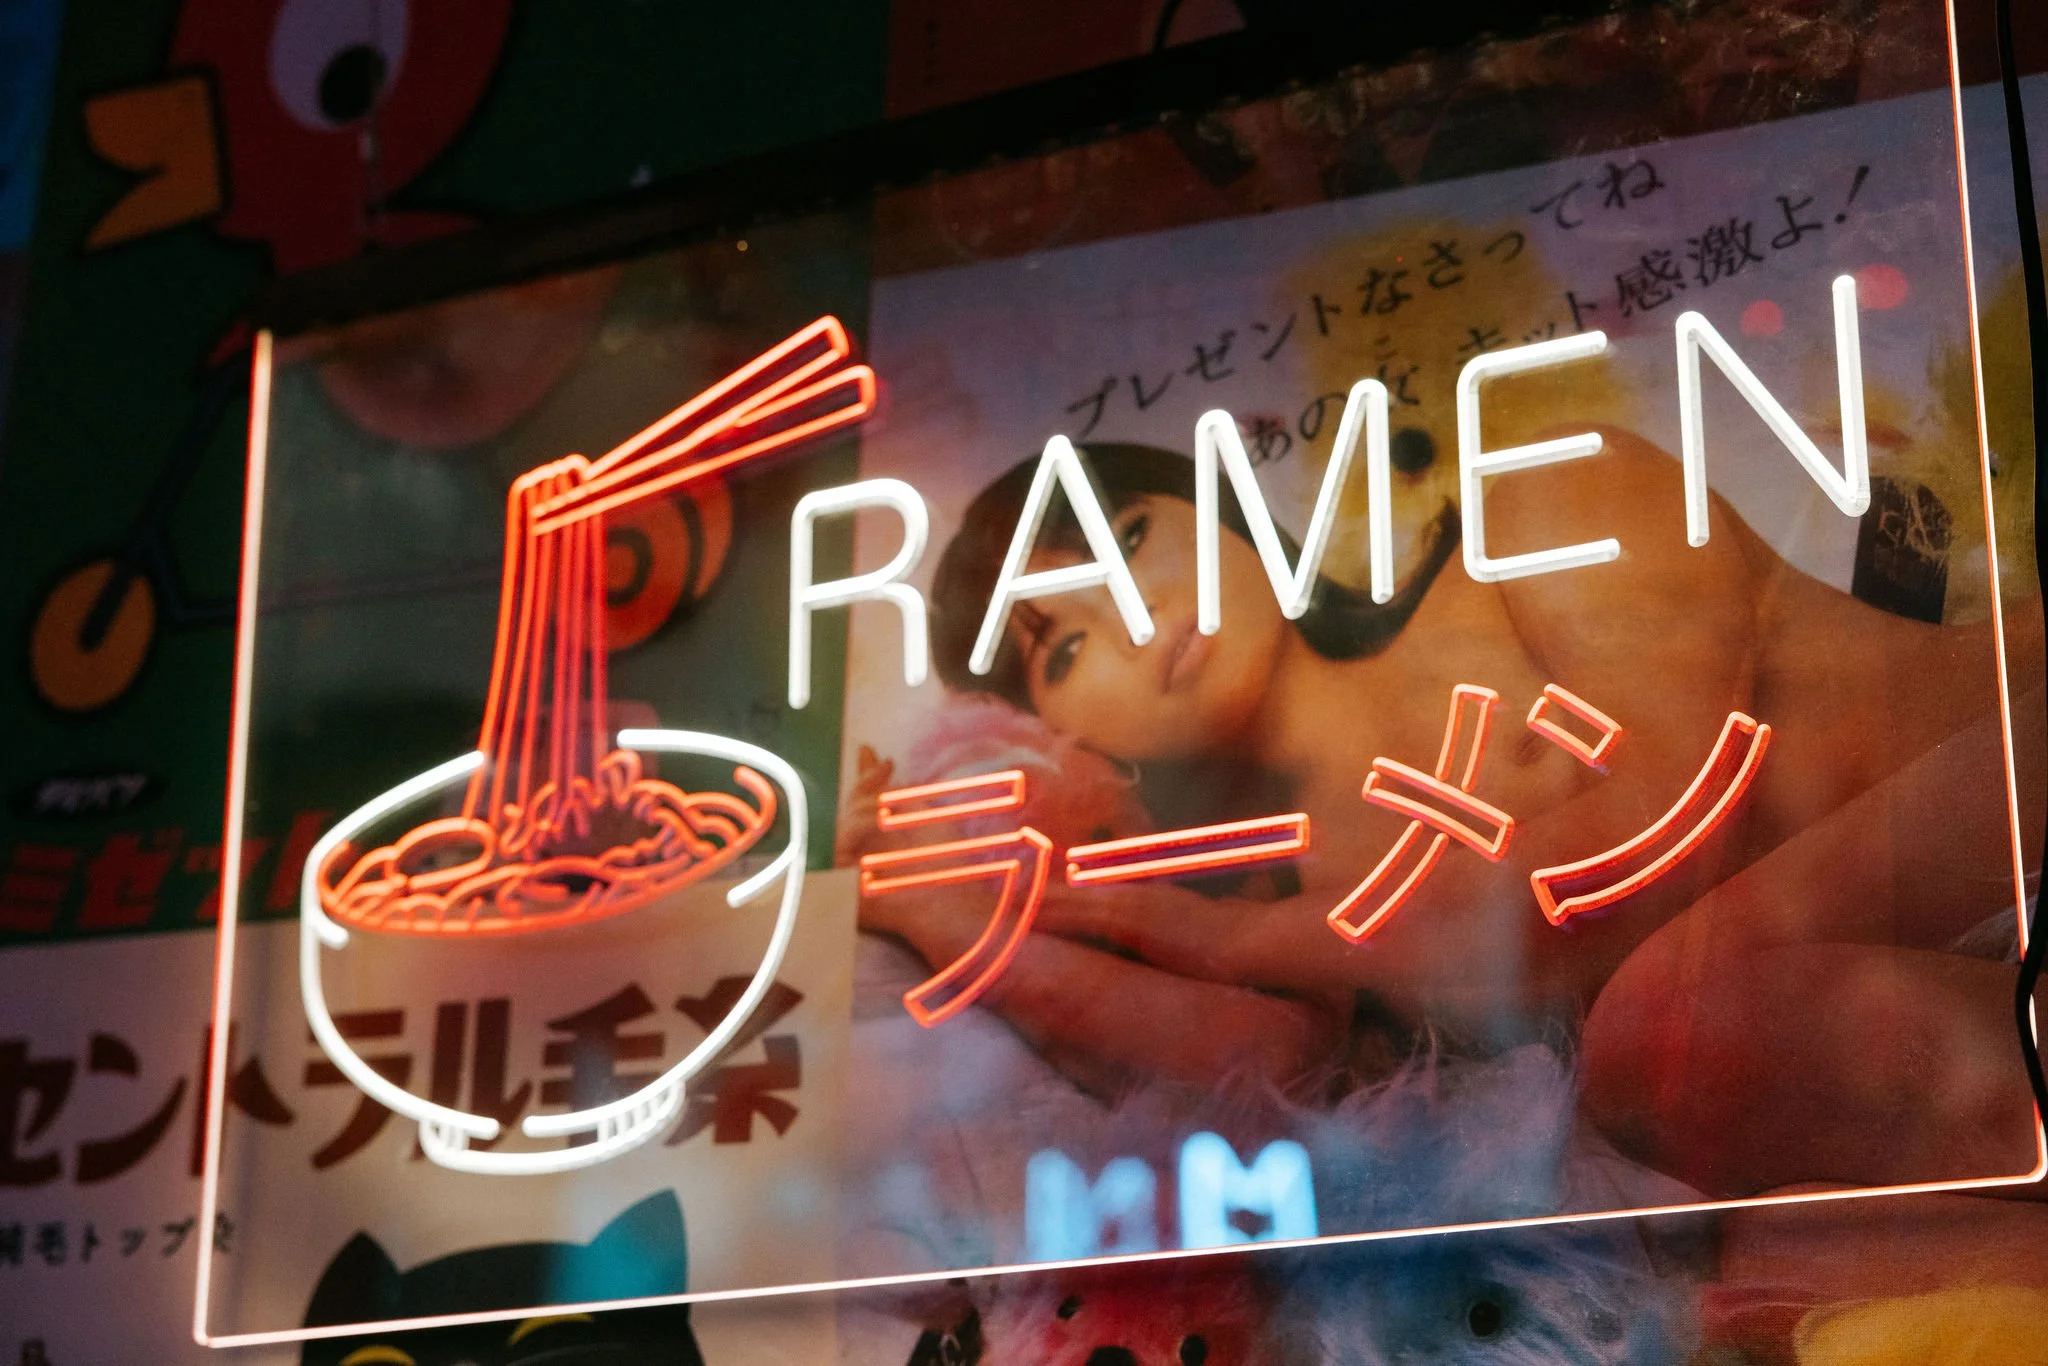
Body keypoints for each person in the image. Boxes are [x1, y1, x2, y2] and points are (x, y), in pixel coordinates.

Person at [852, 430, 2045, 1199]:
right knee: (1673, 1063)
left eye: (1126, 539)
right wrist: (933, 911)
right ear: (1071, 733)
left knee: (1663, 1035)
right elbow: (1262, 1073)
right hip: (1949, 1007)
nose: (1126, 616)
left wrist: (1207, 929)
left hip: (2010, 775)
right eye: (1060, 645)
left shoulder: (1538, 494)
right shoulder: (1289, 899)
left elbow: (1653, 841)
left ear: (1210, 502)